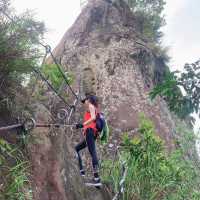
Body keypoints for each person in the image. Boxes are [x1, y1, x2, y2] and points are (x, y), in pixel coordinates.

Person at [75, 95, 101, 186]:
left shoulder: (91, 106)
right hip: (90, 133)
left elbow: (93, 118)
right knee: (77, 148)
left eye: (85, 100)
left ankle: (97, 178)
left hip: (90, 132)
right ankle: (82, 171)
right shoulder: (92, 108)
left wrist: (82, 125)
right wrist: (82, 127)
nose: (84, 102)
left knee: (93, 153)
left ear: (88, 100)